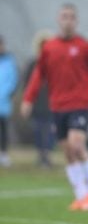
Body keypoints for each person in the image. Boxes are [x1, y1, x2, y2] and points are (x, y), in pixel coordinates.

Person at [21, 3, 88, 210]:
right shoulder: (49, 48)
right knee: (67, 151)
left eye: (71, 17)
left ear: (76, 21)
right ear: (58, 20)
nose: (67, 20)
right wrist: (28, 99)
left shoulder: (85, 46)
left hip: (80, 104)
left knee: (77, 145)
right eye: (64, 16)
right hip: (57, 106)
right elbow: (39, 75)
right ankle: (80, 195)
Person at [23, 31, 56, 167]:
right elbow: (27, 83)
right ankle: (40, 153)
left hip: (51, 103)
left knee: (50, 130)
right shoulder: (33, 64)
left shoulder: (54, 63)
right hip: (37, 103)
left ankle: (47, 153)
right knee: (38, 129)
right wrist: (28, 100)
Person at [0, 35, 18, 167]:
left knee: (4, 130)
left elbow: (14, 81)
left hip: (4, 103)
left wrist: (8, 94)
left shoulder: (10, 61)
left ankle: (4, 154)